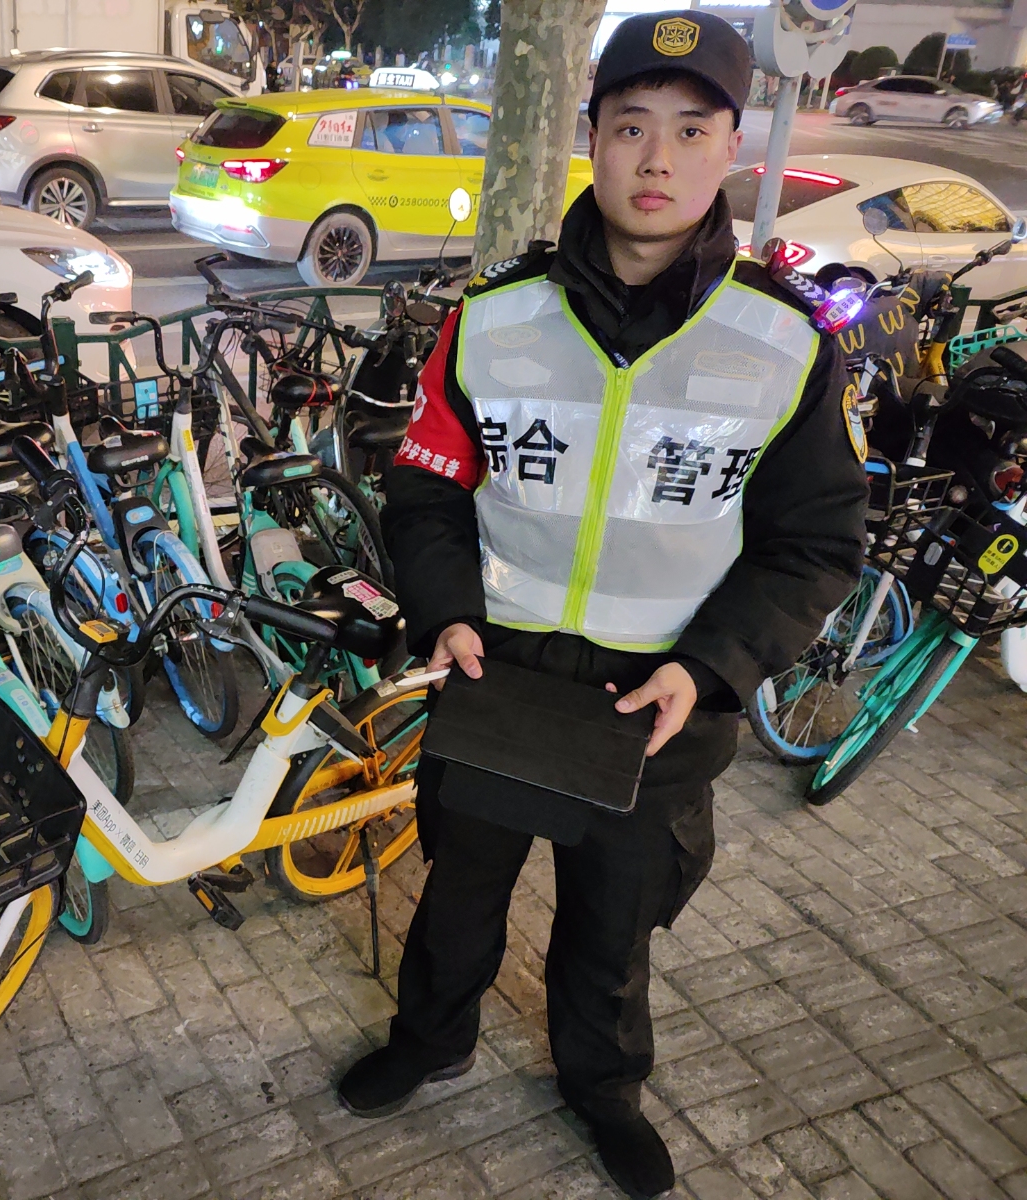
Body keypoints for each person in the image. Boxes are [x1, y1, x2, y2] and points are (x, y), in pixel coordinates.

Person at [338, 11, 867, 1200]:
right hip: (498, 673)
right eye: (630, 127)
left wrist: (713, 667)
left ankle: (601, 1087)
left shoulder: (784, 342)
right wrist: (444, 614)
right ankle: (430, 1040)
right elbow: (425, 491)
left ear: (730, 148)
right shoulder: (493, 317)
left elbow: (816, 543)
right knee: (457, 894)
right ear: (590, 137)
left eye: (690, 129)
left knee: (612, 924)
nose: (656, 158)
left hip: (660, 696)